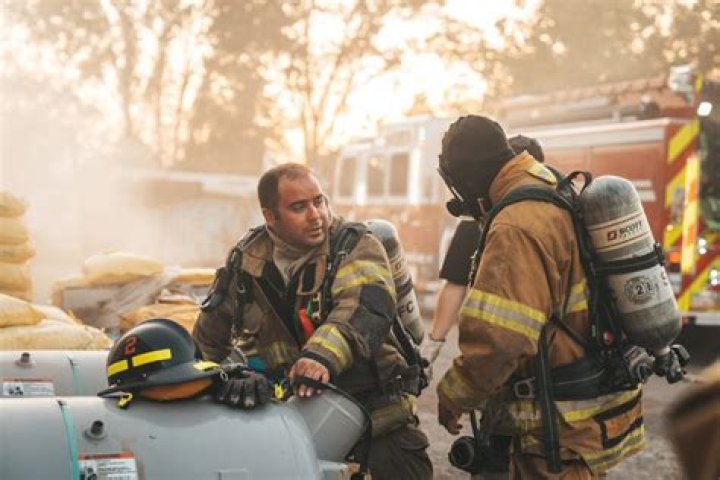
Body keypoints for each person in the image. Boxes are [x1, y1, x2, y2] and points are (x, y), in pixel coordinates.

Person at [435, 115, 645, 478]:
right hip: (585, 418)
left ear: (467, 179)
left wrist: (454, 394)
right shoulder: (551, 185)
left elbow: (501, 340)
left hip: (558, 431)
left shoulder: (516, 224)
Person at [192, 163, 432, 480]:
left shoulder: (355, 245)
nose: (316, 215)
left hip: (376, 413)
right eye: (299, 207)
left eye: (319, 201)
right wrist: (201, 378)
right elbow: (209, 337)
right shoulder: (247, 260)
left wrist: (320, 356)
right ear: (270, 216)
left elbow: (361, 307)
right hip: (299, 417)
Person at [421, 135, 546, 372]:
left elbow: (455, 286)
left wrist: (433, 345)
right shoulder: (560, 213)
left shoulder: (478, 220)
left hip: (502, 353)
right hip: (558, 352)